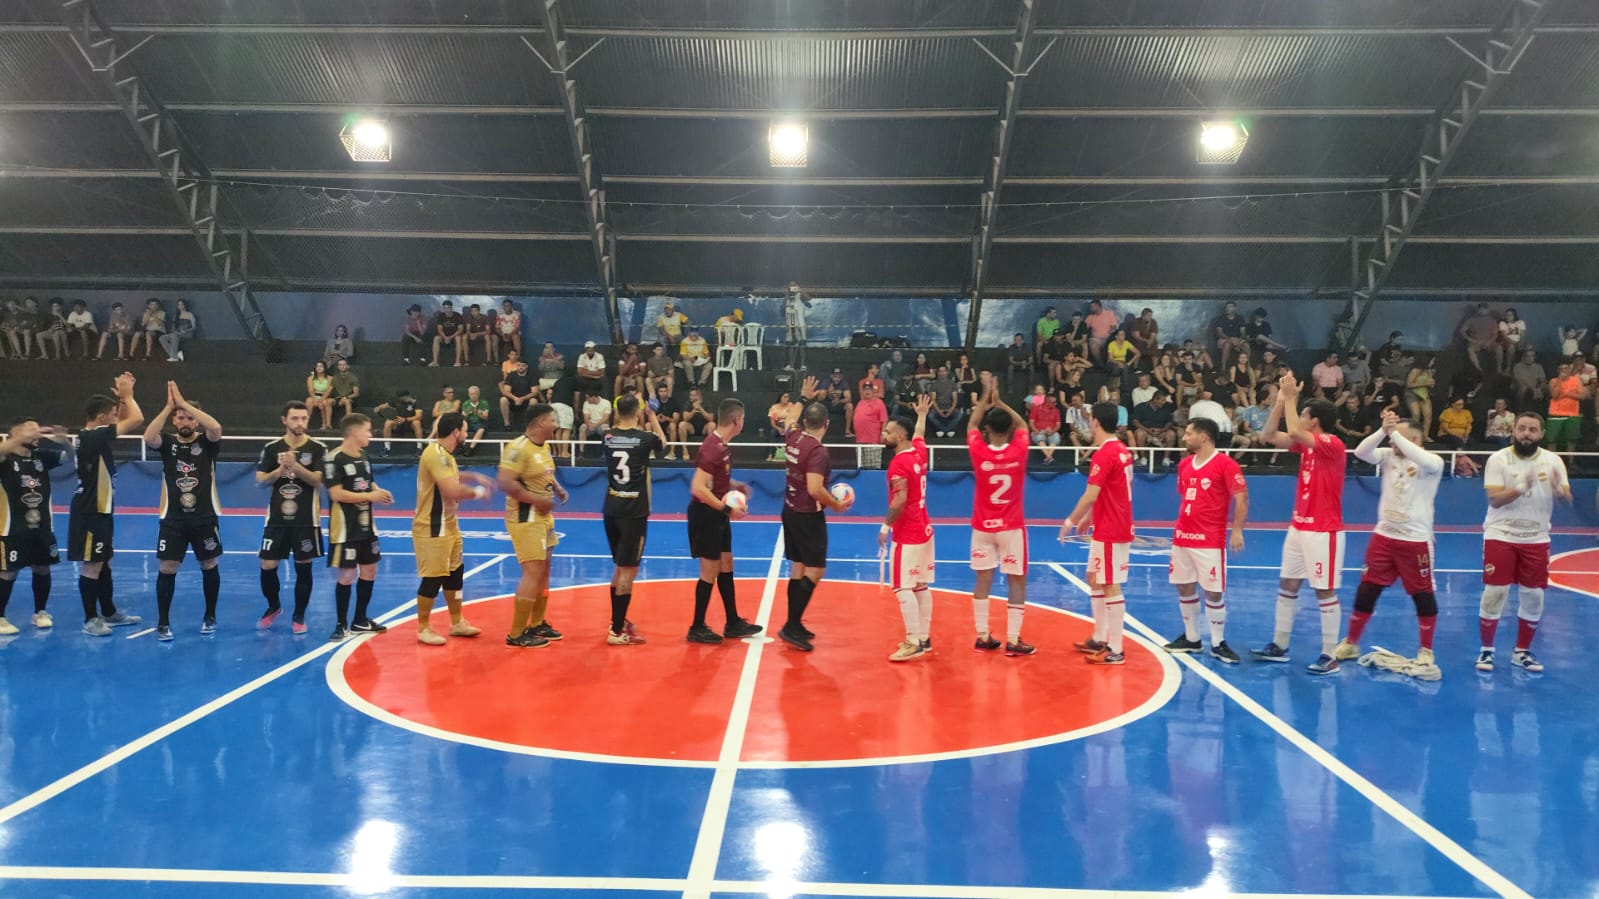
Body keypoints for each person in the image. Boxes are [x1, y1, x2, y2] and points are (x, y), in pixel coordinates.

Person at [1331, 410, 1443, 667]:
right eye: (1391, 438)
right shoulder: (1388, 455)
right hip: (1384, 536)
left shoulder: (1432, 462)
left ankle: (1426, 649)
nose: (1391, 442)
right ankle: (1351, 642)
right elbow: (1361, 452)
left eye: (1396, 437)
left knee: (1422, 595)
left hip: (1415, 540)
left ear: (1414, 440)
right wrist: (1383, 430)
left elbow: (1425, 460)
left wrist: (1394, 433)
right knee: (1367, 590)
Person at [1251, 375, 1347, 674]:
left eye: (1304, 414)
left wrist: (1292, 396)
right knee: (1288, 585)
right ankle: (1280, 646)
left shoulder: (1332, 443)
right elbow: (1268, 435)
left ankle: (1330, 654)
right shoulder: (1305, 446)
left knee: (1324, 591)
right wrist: (1281, 400)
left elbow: (1293, 430)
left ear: (1314, 421)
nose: (1300, 418)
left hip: (1323, 529)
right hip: (1299, 527)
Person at [1477, 412, 1569, 673]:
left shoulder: (1553, 461)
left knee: (1533, 596)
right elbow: (1494, 500)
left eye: (1532, 430)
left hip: (1536, 537)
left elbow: (1567, 499)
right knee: (1495, 592)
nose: (1526, 434)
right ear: (1513, 431)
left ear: (1541, 434)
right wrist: (1520, 487)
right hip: (1501, 534)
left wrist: (1559, 490)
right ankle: (1487, 651)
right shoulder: (1498, 459)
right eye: (1522, 428)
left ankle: (1522, 652)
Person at [143, 381, 224, 641]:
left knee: (209, 563)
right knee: (167, 567)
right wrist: (170, 407)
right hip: (173, 518)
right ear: (174, 421)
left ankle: (210, 615)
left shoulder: (207, 443)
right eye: (181, 417)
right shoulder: (167, 443)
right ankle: (163, 622)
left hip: (204, 517)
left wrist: (184, 403)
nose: (186, 421)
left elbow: (216, 428)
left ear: (196, 421)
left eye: (190, 417)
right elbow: (148, 437)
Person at [1161, 418, 1247, 663]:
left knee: (1213, 592)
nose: (1184, 438)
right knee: (1184, 586)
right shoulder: (1185, 464)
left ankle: (1218, 642)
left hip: (1209, 539)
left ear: (1203, 436)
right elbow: (1187, 496)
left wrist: (1237, 531)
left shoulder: (1226, 464)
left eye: (1189, 434)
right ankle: (1192, 638)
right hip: (1182, 536)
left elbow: (1241, 498)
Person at [778, 385, 854, 652]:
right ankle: (790, 626)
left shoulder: (794, 436)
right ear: (827, 424)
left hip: (790, 510)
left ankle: (794, 623)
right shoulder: (817, 451)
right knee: (815, 570)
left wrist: (802, 397)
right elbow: (814, 488)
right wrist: (836, 504)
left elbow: (789, 417)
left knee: (798, 568)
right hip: (808, 515)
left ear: (805, 422)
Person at [1058, 401, 1135, 664]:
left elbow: (1091, 493)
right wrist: (1090, 517)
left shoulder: (1105, 453)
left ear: (1096, 423)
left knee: (1110, 583)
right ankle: (1100, 637)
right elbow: (1111, 491)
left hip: (1113, 528)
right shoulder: (1122, 450)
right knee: (1094, 577)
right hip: (1108, 524)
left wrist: (1070, 520)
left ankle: (1116, 649)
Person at [68, 373, 144, 636]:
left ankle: (109, 613)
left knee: (104, 561)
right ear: (101, 417)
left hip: (100, 509)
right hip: (90, 510)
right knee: (92, 565)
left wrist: (120, 401)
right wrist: (127, 396)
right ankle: (90, 619)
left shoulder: (93, 436)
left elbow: (122, 420)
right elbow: (136, 419)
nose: (116, 418)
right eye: (112, 414)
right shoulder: (93, 436)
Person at [964, 376, 1034, 655]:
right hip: (1011, 526)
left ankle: (982, 635)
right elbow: (1024, 425)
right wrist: (1001, 402)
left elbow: (971, 425)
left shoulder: (979, 451)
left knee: (983, 580)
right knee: (1016, 580)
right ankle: (1013, 640)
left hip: (983, 527)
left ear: (988, 430)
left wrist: (985, 396)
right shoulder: (1019, 450)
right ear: (1009, 430)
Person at [413, 412, 496, 645]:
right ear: (456, 432)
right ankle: (423, 628)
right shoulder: (435, 455)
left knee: (454, 574)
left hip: (449, 525)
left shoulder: (446, 455)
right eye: (466, 430)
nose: (467, 434)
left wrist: (474, 476)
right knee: (433, 578)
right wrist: (478, 492)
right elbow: (450, 489)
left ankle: (457, 622)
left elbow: (453, 478)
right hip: (432, 527)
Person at [684, 399, 762, 644]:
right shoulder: (713, 448)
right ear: (737, 421)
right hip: (705, 514)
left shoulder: (722, 446)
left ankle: (732, 622)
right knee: (709, 569)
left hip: (716, 513)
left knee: (726, 562)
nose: (743, 423)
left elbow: (714, 479)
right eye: (743, 419)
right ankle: (697, 627)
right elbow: (697, 488)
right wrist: (726, 508)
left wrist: (734, 485)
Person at [498, 403, 569, 648]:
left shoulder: (544, 446)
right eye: (553, 420)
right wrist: (537, 500)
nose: (556, 425)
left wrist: (557, 488)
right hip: (525, 517)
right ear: (540, 423)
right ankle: (516, 634)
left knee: (544, 571)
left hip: (543, 517)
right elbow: (505, 482)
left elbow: (545, 472)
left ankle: (537, 623)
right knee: (532, 572)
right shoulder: (517, 448)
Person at [600, 395, 667, 646]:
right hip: (633, 512)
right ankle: (617, 631)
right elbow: (663, 444)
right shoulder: (644, 438)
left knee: (619, 567)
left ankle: (617, 620)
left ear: (617, 412)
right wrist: (652, 416)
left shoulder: (607, 436)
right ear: (638, 412)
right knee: (628, 571)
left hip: (612, 508)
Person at [254, 401, 326, 634]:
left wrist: (295, 466)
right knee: (267, 564)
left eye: (304, 418)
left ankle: (299, 615)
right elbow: (260, 481)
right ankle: (274, 606)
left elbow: (319, 481)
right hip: (276, 519)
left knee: (303, 567)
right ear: (284, 420)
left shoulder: (318, 448)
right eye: (295, 418)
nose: (300, 423)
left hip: (306, 520)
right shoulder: (272, 448)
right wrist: (280, 470)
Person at [320, 413, 392, 640]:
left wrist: (379, 492)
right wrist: (371, 496)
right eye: (368, 430)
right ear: (354, 431)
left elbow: (369, 483)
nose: (371, 434)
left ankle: (360, 619)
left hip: (367, 526)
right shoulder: (333, 458)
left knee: (370, 570)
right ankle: (341, 624)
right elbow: (336, 493)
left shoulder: (364, 455)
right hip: (345, 528)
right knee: (347, 574)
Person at [0, 419, 72, 635]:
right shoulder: (5, 457)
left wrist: (64, 442)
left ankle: (40, 611)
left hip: (42, 526)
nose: (37, 433)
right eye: (31, 429)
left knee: (42, 568)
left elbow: (70, 458)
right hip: (12, 527)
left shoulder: (40, 456)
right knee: (8, 571)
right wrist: (21, 436)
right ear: (15, 433)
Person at [880, 394, 936, 662]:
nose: (884, 434)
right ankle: (923, 638)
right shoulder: (918, 453)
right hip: (924, 530)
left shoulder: (898, 464)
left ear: (900, 437)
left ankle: (913, 641)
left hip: (908, 534)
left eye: (889, 432)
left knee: (903, 587)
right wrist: (922, 415)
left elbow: (900, 499)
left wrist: (885, 525)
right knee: (920, 586)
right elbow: (920, 434)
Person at [1545, 362, 1585, 453]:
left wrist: (1566, 394)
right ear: (1558, 371)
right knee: (1551, 440)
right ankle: (1551, 460)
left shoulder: (1576, 380)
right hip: (1555, 414)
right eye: (1561, 369)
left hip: (1573, 414)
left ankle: (1570, 460)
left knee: (1571, 440)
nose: (1564, 371)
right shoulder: (1553, 381)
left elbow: (1583, 396)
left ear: (1570, 369)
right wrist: (1560, 380)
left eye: (1566, 368)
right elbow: (1555, 395)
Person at [375, 390, 423, 454]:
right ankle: (387, 448)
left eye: (402, 397)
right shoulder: (397, 401)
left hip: (410, 423)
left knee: (417, 423)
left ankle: (419, 448)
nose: (401, 399)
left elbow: (419, 416)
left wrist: (405, 419)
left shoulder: (415, 402)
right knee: (388, 423)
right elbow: (386, 405)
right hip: (399, 422)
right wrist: (378, 408)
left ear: (407, 396)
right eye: (400, 398)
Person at [1457, 302, 1501, 372]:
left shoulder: (1492, 320)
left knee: (1499, 348)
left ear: (1488, 310)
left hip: (1489, 342)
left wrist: (1489, 342)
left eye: (1485, 309)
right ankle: (1479, 370)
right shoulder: (1471, 320)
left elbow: (1495, 334)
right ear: (1478, 310)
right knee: (1470, 350)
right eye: (1481, 309)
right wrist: (1471, 340)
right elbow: (1462, 331)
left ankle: (1499, 368)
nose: (1483, 310)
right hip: (1476, 342)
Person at [499, 359, 536, 432]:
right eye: (518, 365)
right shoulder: (511, 375)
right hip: (513, 400)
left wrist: (522, 399)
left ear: (526, 366)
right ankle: (507, 424)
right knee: (503, 400)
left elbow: (534, 392)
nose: (520, 367)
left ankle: (530, 425)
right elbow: (506, 391)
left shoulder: (532, 376)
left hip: (526, 400)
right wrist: (515, 398)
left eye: (522, 365)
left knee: (534, 401)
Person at [1211, 301, 1249, 371]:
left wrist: (1239, 340)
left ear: (1235, 308)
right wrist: (1230, 339)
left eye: (1230, 307)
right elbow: (1219, 332)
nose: (1228, 309)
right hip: (1225, 339)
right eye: (1227, 307)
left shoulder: (1240, 318)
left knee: (1246, 345)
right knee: (1227, 345)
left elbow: (1243, 332)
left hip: (1237, 339)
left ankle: (1248, 367)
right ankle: (1223, 367)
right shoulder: (1221, 318)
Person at [1028, 390, 1062, 464]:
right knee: (1039, 437)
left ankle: (1048, 457)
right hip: (1039, 431)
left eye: (1054, 403)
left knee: (1056, 436)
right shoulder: (1036, 409)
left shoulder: (1056, 411)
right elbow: (1031, 422)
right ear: (1046, 401)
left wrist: (1052, 431)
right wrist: (1036, 431)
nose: (1053, 404)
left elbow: (1058, 425)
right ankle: (1049, 457)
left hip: (1051, 432)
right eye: (1051, 403)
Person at [928, 365, 962, 437]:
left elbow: (955, 399)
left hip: (949, 407)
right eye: (940, 371)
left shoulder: (952, 383)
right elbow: (933, 400)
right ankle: (948, 430)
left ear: (947, 372)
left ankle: (942, 430)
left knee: (960, 414)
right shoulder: (934, 384)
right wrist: (939, 411)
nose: (942, 373)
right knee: (930, 416)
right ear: (938, 372)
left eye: (943, 371)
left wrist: (950, 410)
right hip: (937, 408)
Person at [429, 301, 465, 367]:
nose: (447, 310)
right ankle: (435, 361)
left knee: (458, 338)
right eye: (445, 308)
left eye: (448, 308)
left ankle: (457, 361)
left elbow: (460, 329)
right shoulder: (441, 316)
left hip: (454, 335)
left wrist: (450, 337)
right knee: (436, 338)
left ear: (451, 308)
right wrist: (445, 337)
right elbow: (439, 329)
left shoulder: (457, 315)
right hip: (444, 336)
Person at [767, 391, 800, 461]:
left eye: (788, 397)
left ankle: (794, 455)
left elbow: (795, 418)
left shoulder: (791, 406)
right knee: (773, 432)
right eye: (785, 397)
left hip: (790, 425)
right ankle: (770, 455)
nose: (787, 399)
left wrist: (788, 427)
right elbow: (772, 423)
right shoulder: (774, 407)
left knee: (796, 431)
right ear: (780, 398)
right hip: (778, 425)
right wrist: (778, 429)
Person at [575, 340, 608, 407]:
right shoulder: (582, 356)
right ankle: (580, 407)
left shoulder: (599, 356)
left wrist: (586, 371)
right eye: (588, 349)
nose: (590, 350)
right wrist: (593, 375)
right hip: (586, 379)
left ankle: (606, 404)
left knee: (604, 379)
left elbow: (602, 372)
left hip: (597, 379)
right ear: (585, 349)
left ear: (594, 349)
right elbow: (579, 371)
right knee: (578, 377)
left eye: (592, 348)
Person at [460, 385, 492, 453]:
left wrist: (478, 413)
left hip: (480, 422)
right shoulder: (465, 403)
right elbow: (463, 417)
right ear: (469, 395)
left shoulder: (484, 403)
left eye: (475, 393)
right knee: (461, 426)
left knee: (481, 429)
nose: (474, 396)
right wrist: (467, 413)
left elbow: (486, 417)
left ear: (478, 394)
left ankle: (470, 449)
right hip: (469, 422)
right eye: (472, 394)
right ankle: (462, 447)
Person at [306, 360, 335, 431]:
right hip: (315, 396)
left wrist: (320, 400)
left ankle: (326, 425)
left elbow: (328, 391)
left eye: (321, 366)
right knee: (308, 401)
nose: (318, 368)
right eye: (317, 366)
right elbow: (311, 390)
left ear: (324, 368)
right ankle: (305, 423)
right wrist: (315, 399)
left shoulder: (330, 378)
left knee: (324, 402)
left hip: (326, 397)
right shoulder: (311, 378)